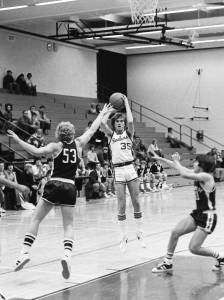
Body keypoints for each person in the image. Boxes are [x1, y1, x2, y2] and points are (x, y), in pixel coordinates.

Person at [7, 103, 113, 279]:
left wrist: (18, 140)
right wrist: (103, 113)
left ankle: (24, 253)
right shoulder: (79, 144)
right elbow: (93, 129)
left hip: (54, 184)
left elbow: (35, 151)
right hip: (70, 186)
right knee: (68, 225)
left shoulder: (56, 146)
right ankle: (66, 255)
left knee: (36, 219)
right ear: (72, 133)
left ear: (58, 133)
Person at [151, 151, 224, 273]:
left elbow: (183, 173)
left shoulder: (207, 177)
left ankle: (220, 256)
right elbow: (178, 167)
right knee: (175, 232)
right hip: (197, 213)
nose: (193, 164)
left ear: (202, 166)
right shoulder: (198, 173)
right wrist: (160, 158)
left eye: (196, 162)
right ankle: (168, 262)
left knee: (194, 248)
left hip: (208, 217)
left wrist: (177, 161)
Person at [101, 95, 145, 251]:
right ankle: (123, 237)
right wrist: (108, 111)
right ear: (115, 123)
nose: (120, 123)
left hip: (130, 169)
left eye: (121, 121)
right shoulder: (110, 135)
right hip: (118, 171)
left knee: (136, 202)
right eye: (117, 121)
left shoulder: (129, 133)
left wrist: (126, 102)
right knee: (121, 205)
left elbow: (131, 121)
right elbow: (101, 122)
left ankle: (139, 233)